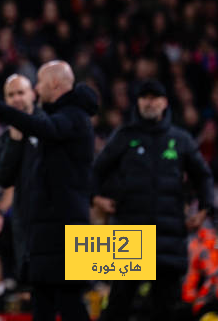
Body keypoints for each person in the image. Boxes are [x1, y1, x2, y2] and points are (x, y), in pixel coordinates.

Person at [0, 60, 97, 321]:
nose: (35, 88)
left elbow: (46, 129)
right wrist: (14, 136)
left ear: (54, 84)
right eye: (10, 95)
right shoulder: (36, 127)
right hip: (40, 230)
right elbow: (2, 175)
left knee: (68, 301)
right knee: (44, 300)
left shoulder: (66, 118)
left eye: (38, 84)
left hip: (65, 228)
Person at [92, 79, 214, 321]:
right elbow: (96, 171)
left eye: (155, 97)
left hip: (168, 236)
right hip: (128, 235)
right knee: (117, 305)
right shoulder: (124, 136)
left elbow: (203, 176)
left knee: (166, 309)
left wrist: (205, 210)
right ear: (138, 102)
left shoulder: (181, 139)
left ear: (165, 102)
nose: (150, 102)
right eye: (145, 97)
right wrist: (96, 198)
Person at [0, 74, 41, 289]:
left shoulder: (51, 127)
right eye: (11, 95)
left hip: (55, 222)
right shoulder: (7, 138)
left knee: (67, 294)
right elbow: (0, 176)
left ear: (33, 94)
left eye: (21, 92)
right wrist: (15, 142)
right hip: (24, 225)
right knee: (34, 291)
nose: (16, 98)